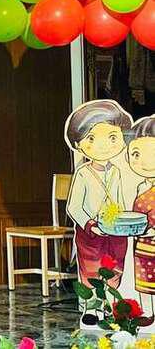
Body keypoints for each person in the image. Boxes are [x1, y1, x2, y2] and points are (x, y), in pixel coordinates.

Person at [65, 99, 133, 289]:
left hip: (115, 233)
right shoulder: (83, 173)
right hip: (91, 236)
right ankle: (92, 305)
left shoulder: (116, 171)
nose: (103, 146)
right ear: (78, 144)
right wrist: (90, 226)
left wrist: (123, 222)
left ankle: (111, 304)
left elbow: (119, 202)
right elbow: (74, 207)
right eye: (92, 138)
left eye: (112, 137)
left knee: (114, 272)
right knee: (91, 275)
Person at [127, 117, 155, 312]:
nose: (142, 162)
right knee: (144, 281)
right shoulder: (141, 187)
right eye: (136, 154)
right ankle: (147, 313)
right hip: (142, 245)